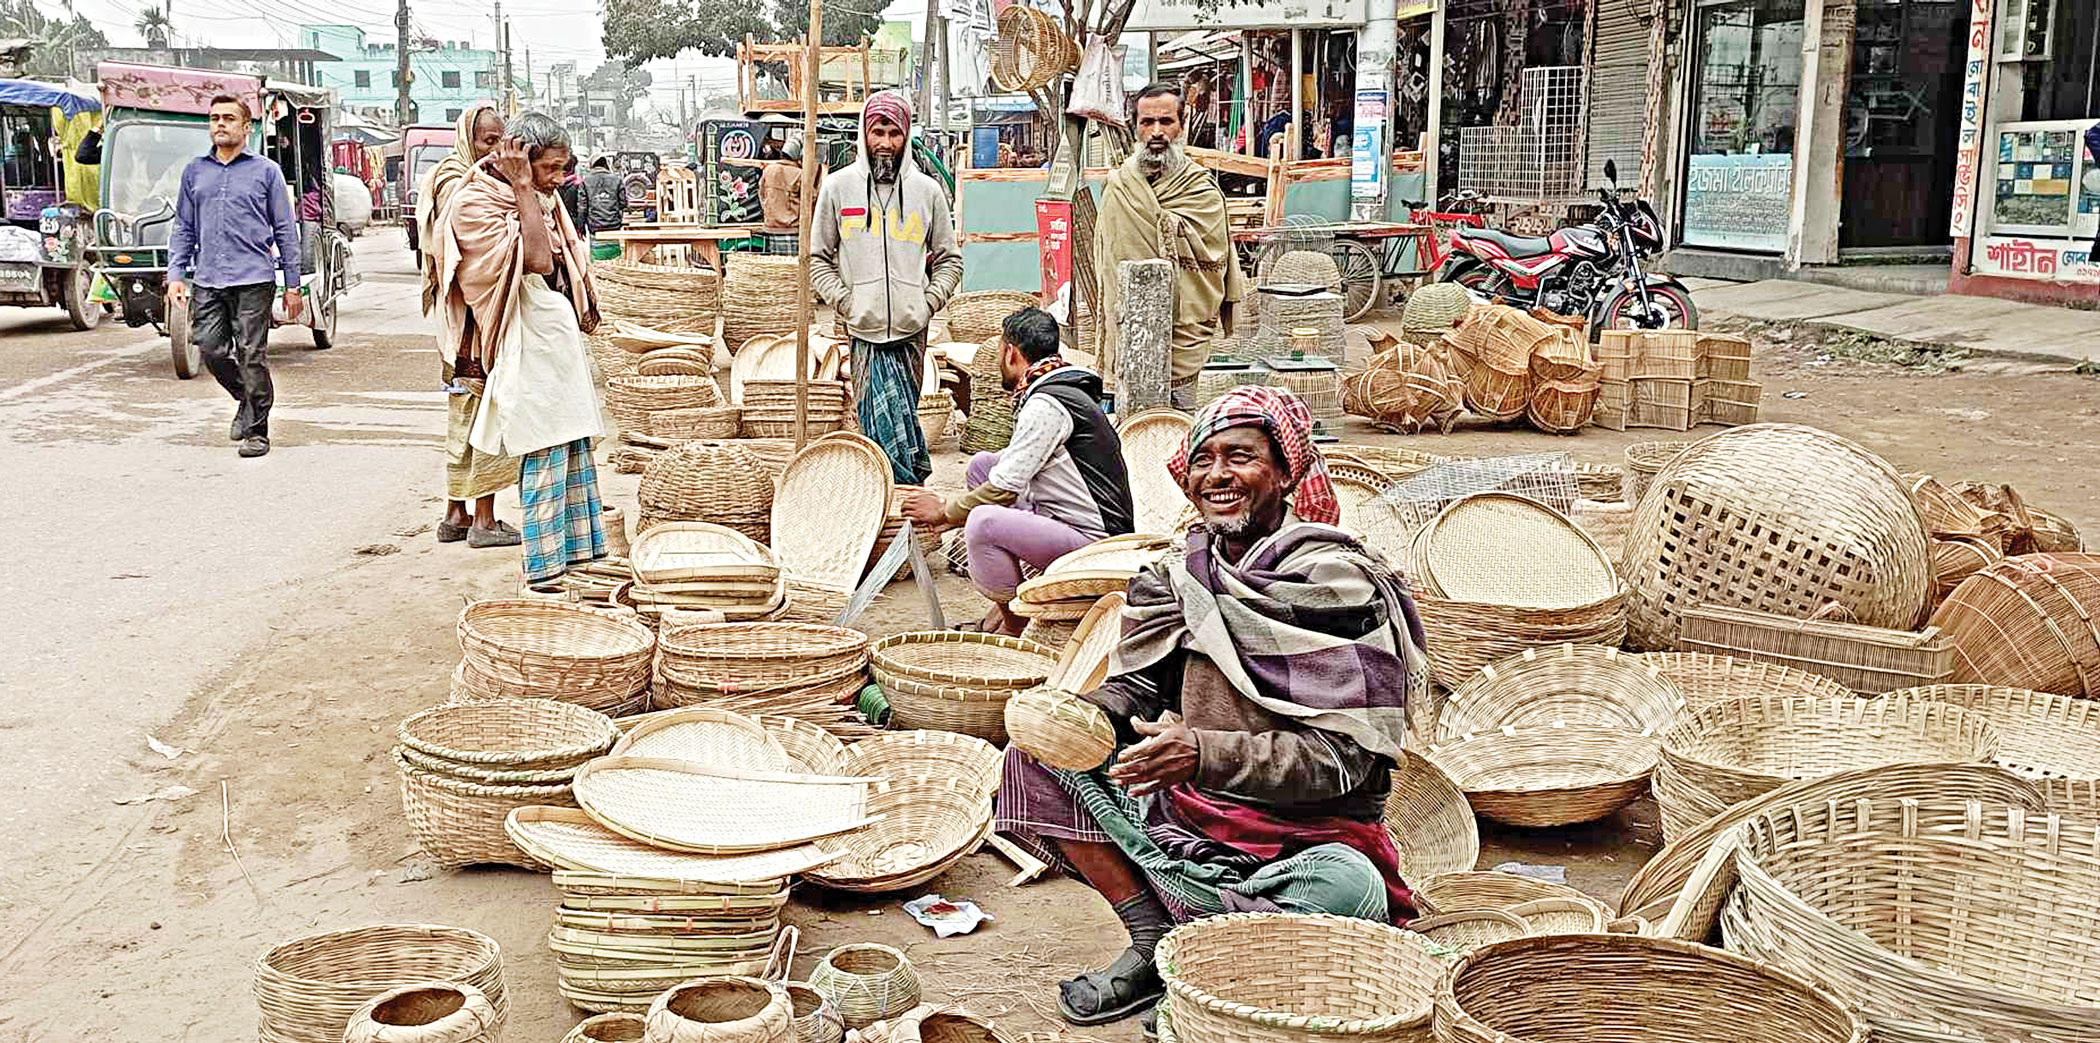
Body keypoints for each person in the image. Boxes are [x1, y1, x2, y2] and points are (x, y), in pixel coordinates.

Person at [995, 385, 1427, 1029]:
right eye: (1203, 459)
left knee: (1349, 889)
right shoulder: (1181, 574)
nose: (1218, 475)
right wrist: (1087, 717)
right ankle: (1154, 942)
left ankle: (1219, 967)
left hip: (1302, 839)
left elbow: (1345, 763)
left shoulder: (1337, 585)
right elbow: (1141, 686)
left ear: (1285, 471)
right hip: (1187, 811)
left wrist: (1202, 754)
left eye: (1242, 457)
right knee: (1032, 761)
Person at [439, 112, 608, 586]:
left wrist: (533, 193)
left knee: (571, 448)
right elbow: (536, 259)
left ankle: (577, 561)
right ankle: (545, 569)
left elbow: (557, 263)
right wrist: (524, 191)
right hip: (519, 345)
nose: (559, 179)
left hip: (554, 343)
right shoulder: (474, 204)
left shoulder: (541, 199)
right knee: (540, 448)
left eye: (563, 167)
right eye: (550, 168)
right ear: (519, 160)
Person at [903, 307, 1134, 635]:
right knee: (983, 465)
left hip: (1095, 542)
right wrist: (952, 514)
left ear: (1011, 353)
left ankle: (1016, 628)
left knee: (983, 523)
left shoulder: (1047, 404)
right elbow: (1005, 472)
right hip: (1064, 520)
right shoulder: (1053, 391)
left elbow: (1003, 490)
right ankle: (1004, 610)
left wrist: (944, 512)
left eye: (1000, 351)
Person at [810, 88, 963, 485]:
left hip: (913, 330)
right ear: (864, 134)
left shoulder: (927, 191)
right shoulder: (838, 189)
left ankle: (906, 505)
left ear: (906, 136)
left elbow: (950, 258)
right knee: (877, 426)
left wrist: (927, 302)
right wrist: (845, 302)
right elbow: (817, 258)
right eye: (877, 132)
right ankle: (889, 502)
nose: (885, 144)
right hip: (863, 331)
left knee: (904, 423)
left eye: (894, 133)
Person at [1094, 83, 1246, 410]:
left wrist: (1164, 223)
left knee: (1183, 426)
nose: (1157, 132)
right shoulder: (1119, 186)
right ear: (1134, 127)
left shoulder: (1200, 190)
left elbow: (1213, 259)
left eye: (1167, 121)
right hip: (1128, 330)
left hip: (1185, 338)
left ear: (1183, 123)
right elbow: (1106, 264)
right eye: (1147, 123)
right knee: (1134, 432)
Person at [167, 94, 302, 459]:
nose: (220, 124)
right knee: (210, 348)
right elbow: (183, 226)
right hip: (208, 277)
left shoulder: (266, 172)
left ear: (246, 127)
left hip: (254, 277)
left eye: (228, 118)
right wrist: (175, 274)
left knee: (251, 353)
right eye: (214, 118)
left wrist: (293, 284)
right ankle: (248, 397)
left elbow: (285, 230)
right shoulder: (195, 171)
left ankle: (258, 431)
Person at [418, 102, 515, 546]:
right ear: (467, 140)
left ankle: (455, 512)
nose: (494, 150)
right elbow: (475, 256)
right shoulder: (461, 184)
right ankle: (485, 520)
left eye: (500, 140)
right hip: (475, 321)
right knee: (487, 415)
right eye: (487, 141)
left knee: (462, 415)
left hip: (459, 325)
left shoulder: (449, 177)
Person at [758, 135, 806, 233]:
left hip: (771, 226)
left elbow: (761, 194)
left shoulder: (768, 170)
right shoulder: (799, 174)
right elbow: (809, 199)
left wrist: (768, 211)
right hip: (792, 227)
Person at [583, 155, 624, 239]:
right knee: (613, 248)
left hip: (594, 225)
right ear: (606, 165)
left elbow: (582, 207)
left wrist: (581, 226)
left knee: (597, 249)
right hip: (614, 224)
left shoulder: (586, 181)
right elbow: (623, 203)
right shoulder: (617, 179)